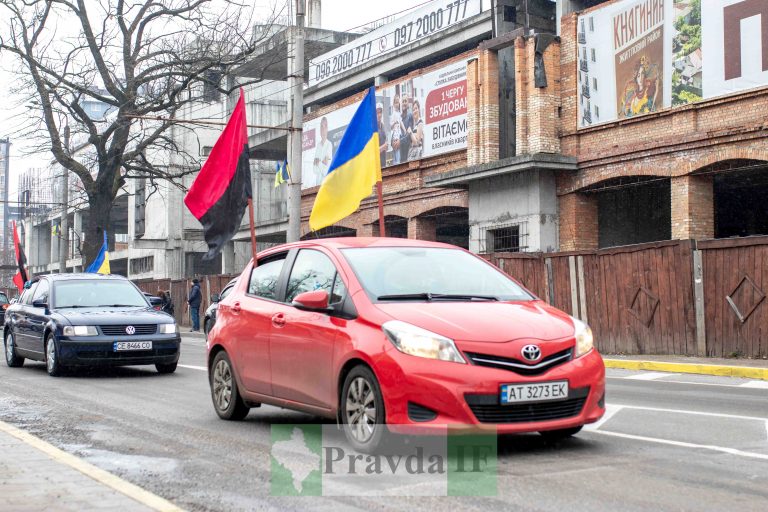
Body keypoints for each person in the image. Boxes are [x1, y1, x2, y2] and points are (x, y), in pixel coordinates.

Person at [312, 117, 333, 187]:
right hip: (317, 184)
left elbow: (325, 171)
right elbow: (314, 170)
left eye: (325, 126)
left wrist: (318, 163)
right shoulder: (318, 145)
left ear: (327, 129)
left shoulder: (329, 145)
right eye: (321, 126)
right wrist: (322, 162)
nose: (323, 129)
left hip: (326, 184)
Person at [389, 95, 404, 165]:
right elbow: (390, 127)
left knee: (398, 156)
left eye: (398, 103)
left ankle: (397, 164)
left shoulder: (399, 114)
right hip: (394, 138)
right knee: (395, 157)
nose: (397, 104)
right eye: (395, 103)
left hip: (398, 137)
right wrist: (394, 123)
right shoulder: (393, 115)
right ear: (393, 104)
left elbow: (401, 123)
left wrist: (405, 130)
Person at [400, 94, 414, 163]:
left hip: (409, 149)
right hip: (401, 150)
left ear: (408, 103)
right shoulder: (400, 117)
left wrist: (400, 141)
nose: (404, 103)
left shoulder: (410, 115)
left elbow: (409, 132)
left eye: (405, 101)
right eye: (403, 101)